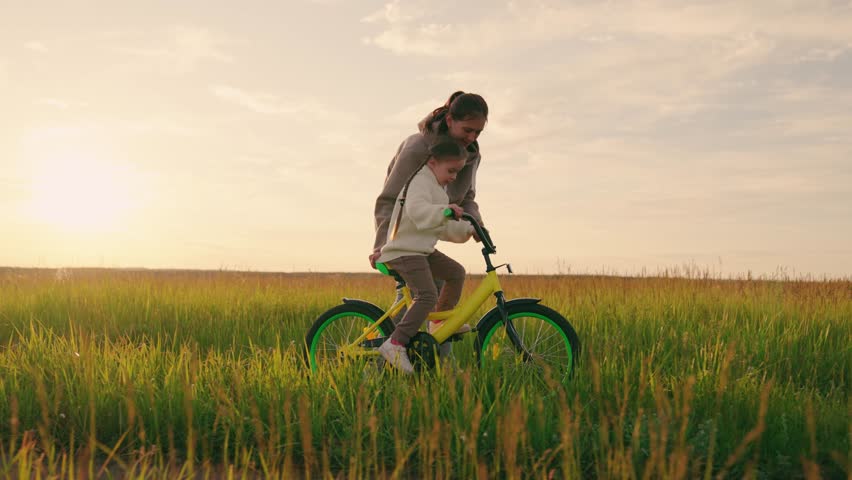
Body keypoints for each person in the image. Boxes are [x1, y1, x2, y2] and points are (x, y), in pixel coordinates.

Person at [369, 91, 489, 359]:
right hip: (406, 241)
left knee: (441, 308)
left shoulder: (470, 156)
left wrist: (476, 224)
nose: (472, 138)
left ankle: (437, 372)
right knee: (414, 305)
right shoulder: (417, 149)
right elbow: (389, 201)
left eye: (478, 133)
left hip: (430, 237)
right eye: (468, 130)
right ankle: (380, 372)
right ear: (449, 119)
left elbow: (467, 197)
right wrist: (382, 245)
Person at [375, 139, 476, 373]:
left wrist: (470, 230)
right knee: (427, 294)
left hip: (421, 250)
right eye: (450, 170)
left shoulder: (438, 189)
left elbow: (441, 227)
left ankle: (438, 321)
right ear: (432, 162)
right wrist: (447, 211)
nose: (453, 176)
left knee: (455, 273)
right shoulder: (420, 181)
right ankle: (395, 344)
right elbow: (419, 212)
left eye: (457, 172)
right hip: (404, 251)